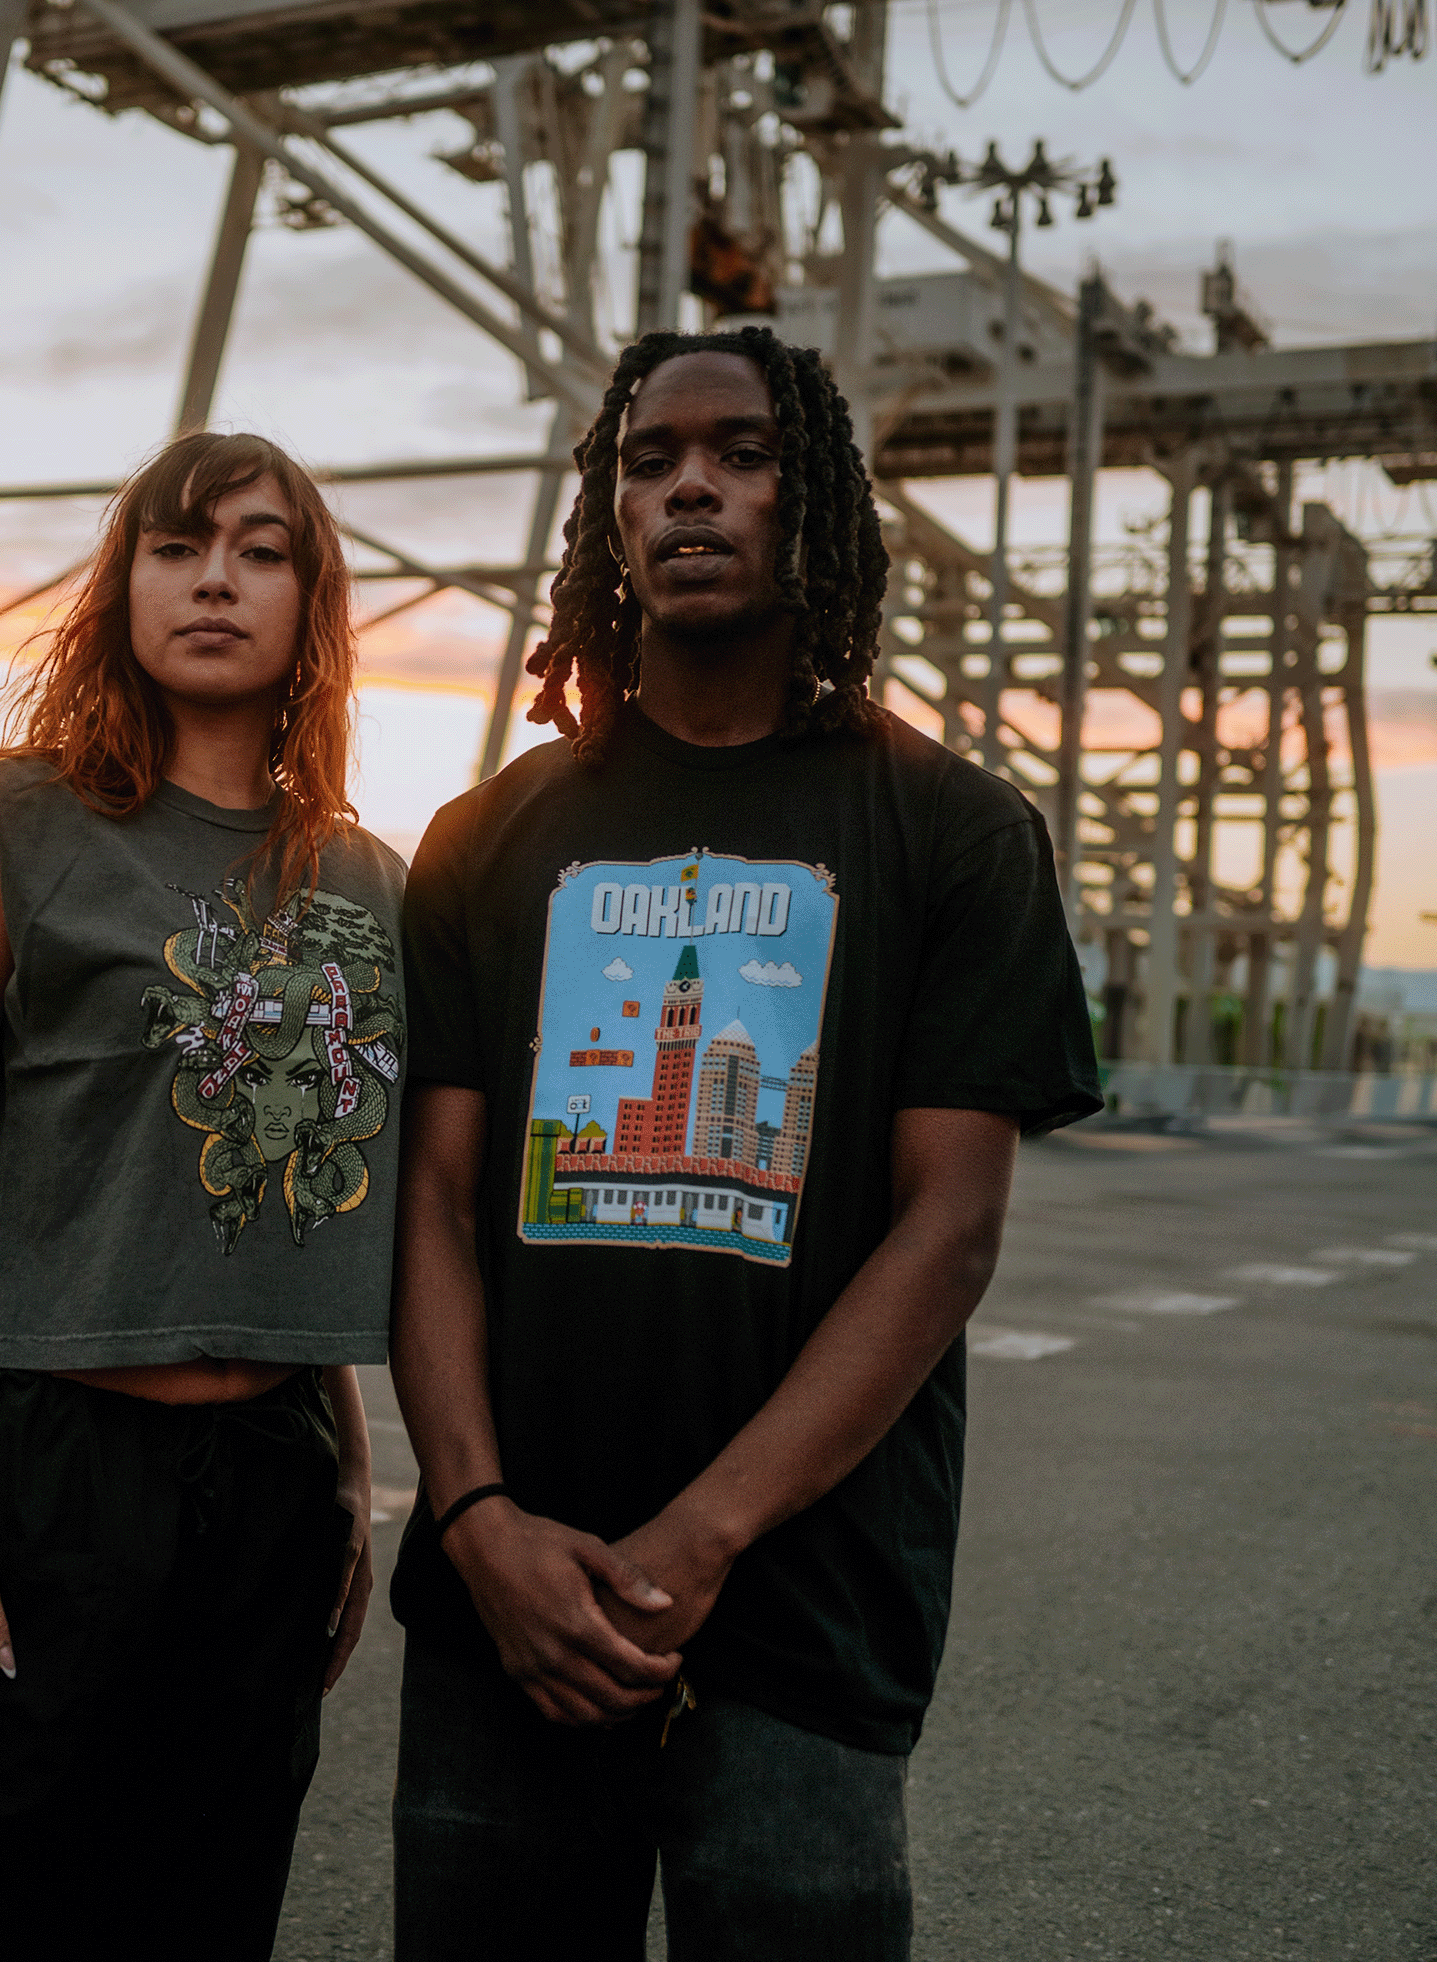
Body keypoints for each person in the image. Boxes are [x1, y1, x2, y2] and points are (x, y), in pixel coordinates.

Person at [388, 328, 1101, 1960]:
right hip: (510, 1611)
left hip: (802, 1615)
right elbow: (429, 1204)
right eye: (651, 459)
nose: (691, 483)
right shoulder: (486, 837)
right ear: (608, 513)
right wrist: (477, 1520)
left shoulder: (956, 832)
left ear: (817, 503)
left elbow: (949, 1234)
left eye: (745, 452)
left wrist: (702, 1539)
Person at [0, 431, 406, 1961]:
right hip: (39, 1466)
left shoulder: (365, 877)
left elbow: (291, 1194)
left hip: (266, 1479)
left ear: (311, 601)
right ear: (123, 584)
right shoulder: (24, 821)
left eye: (263, 550)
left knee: (197, 1919)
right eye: (177, 545)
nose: (216, 579)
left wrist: (342, 1469)